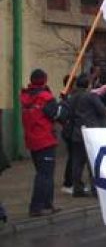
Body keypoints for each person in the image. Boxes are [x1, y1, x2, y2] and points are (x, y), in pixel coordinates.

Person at [20, 69, 65, 216]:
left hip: (32, 140)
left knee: (44, 173)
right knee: (44, 175)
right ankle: (36, 207)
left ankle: (47, 204)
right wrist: (63, 104)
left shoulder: (25, 97)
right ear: (45, 80)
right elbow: (58, 115)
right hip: (45, 140)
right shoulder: (46, 98)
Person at [67, 73, 106, 197]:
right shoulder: (91, 96)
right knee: (93, 161)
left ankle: (77, 188)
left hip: (77, 132)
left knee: (77, 163)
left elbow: (69, 113)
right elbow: (102, 110)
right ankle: (95, 188)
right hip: (91, 133)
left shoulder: (72, 97)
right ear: (88, 85)